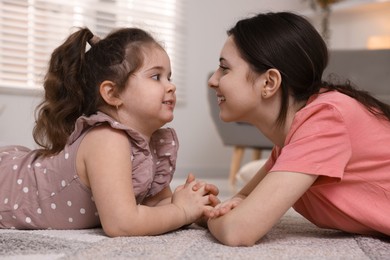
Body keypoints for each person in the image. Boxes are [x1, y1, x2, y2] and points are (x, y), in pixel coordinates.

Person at [0, 27, 219, 236]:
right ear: (112, 93)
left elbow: (156, 206)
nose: (171, 86)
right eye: (156, 77)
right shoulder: (106, 139)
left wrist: (195, 206)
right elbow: (122, 224)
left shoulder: (152, 144)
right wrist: (180, 212)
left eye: (169, 77)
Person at [206, 11, 390, 246]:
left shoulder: (326, 120)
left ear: (269, 82)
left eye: (225, 68)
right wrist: (203, 208)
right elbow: (240, 200)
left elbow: (238, 230)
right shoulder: (294, 139)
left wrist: (210, 218)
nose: (213, 80)